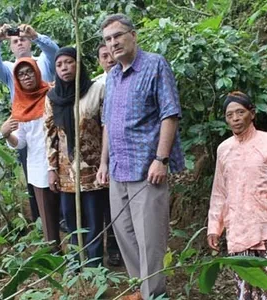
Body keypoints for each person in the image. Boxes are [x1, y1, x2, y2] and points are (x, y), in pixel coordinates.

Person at [97, 14, 185, 299]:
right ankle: (143, 289)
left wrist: (161, 159)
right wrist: (103, 162)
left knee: (150, 240)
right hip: (118, 168)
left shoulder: (155, 64)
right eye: (108, 39)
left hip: (148, 169)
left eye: (118, 35)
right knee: (124, 234)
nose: (114, 43)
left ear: (133, 35)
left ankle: (154, 294)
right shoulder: (111, 76)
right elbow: (108, 122)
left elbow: (169, 114)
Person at [207, 92, 267, 299]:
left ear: (252, 113)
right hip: (239, 231)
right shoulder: (224, 150)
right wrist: (214, 227)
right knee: (245, 290)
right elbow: (219, 192)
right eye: (230, 115)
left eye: (240, 112)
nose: (235, 118)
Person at [0, 23, 59, 222]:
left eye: (23, 39)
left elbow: (55, 52)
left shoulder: (43, 61)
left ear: (29, 42)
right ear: (11, 46)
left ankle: (63, 217)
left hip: (51, 124)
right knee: (33, 173)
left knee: (58, 170)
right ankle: (40, 218)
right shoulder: (10, 70)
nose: (19, 43)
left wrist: (36, 36)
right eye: (15, 41)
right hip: (25, 127)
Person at [45, 47, 106, 267]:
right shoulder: (52, 97)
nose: (64, 68)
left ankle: (95, 265)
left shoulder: (97, 90)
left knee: (93, 219)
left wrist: (105, 164)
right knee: (70, 219)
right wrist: (52, 169)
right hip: (65, 171)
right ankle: (75, 262)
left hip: (92, 169)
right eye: (59, 64)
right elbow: (50, 134)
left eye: (69, 62)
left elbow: (105, 127)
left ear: (78, 64)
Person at [0, 58, 61, 251]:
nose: (26, 77)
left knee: (70, 210)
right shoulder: (19, 106)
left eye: (29, 72)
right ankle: (54, 255)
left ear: (37, 72)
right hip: (38, 166)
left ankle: (80, 255)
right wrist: (7, 134)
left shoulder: (52, 94)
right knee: (48, 217)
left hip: (63, 161)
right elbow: (21, 143)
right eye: (21, 74)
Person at [93, 43, 122, 267]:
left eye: (111, 54)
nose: (109, 59)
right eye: (104, 56)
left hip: (125, 154)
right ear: (99, 61)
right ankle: (111, 248)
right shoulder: (97, 86)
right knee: (106, 205)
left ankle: (119, 248)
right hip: (102, 154)